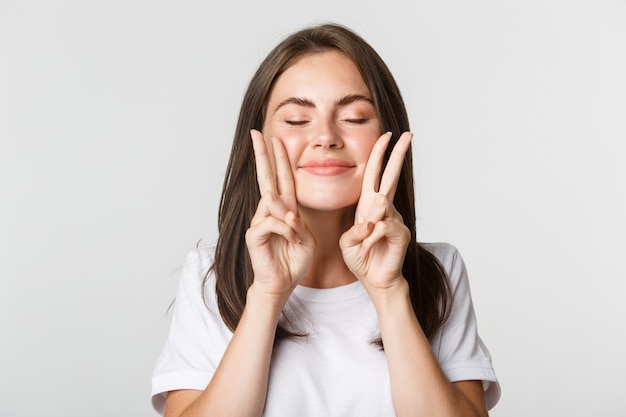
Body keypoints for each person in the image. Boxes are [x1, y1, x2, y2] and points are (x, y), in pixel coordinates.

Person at [151, 22, 500, 417]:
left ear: (389, 132)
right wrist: (267, 296)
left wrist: (388, 293)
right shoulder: (210, 277)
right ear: (258, 139)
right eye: (297, 120)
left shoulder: (437, 272)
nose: (325, 137)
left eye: (354, 117)